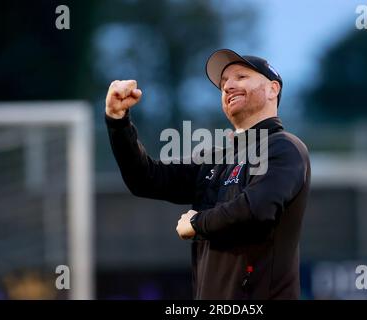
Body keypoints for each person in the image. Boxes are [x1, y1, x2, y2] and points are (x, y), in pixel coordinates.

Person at [105, 49, 311, 299]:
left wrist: (196, 223)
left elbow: (256, 210)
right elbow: (146, 179)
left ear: (272, 89)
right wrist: (118, 122)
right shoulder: (215, 158)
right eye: (224, 83)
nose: (229, 86)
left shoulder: (284, 146)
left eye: (241, 77)